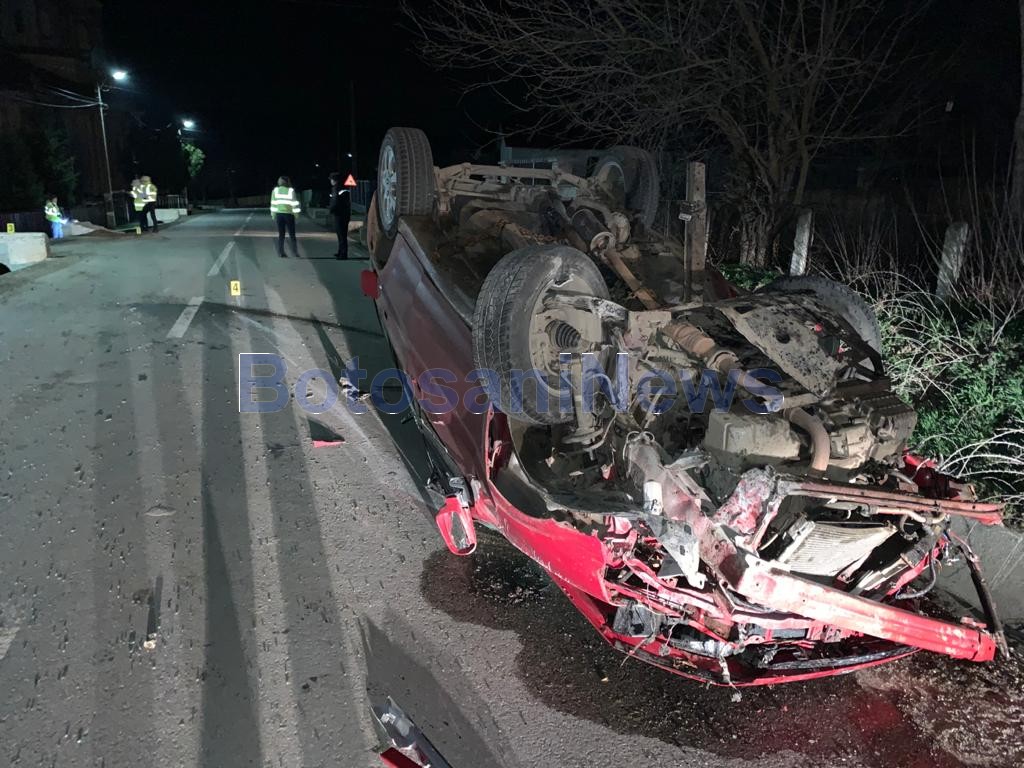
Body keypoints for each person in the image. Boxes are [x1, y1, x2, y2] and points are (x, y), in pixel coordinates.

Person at [270, 176, 301, 257]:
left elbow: (273, 204)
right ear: (287, 182)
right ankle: (295, 252)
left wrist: (273, 215)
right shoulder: (291, 191)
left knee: (281, 235)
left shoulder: (275, 191)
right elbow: (294, 204)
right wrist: (296, 215)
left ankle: (281, 252)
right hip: (289, 215)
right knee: (292, 234)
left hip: (279, 215)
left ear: (279, 182)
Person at [328, 172, 351, 260]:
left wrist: (331, 209)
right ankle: (340, 251)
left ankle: (343, 254)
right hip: (342, 214)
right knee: (341, 235)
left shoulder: (337, 188)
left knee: (342, 235)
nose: (331, 181)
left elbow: (336, 202)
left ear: (335, 180)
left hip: (340, 215)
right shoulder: (341, 188)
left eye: (331, 179)